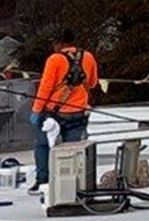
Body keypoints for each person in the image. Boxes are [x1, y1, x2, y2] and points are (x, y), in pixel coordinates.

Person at [32, 33, 99, 189]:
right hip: (79, 112)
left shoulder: (54, 59)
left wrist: (36, 110)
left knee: (42, 144)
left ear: (59, 43)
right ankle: (74, 184)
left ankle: (43, 181)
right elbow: (93, 82)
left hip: (53, 113)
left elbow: (45, 87)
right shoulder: (88, 57)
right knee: (73, 149)